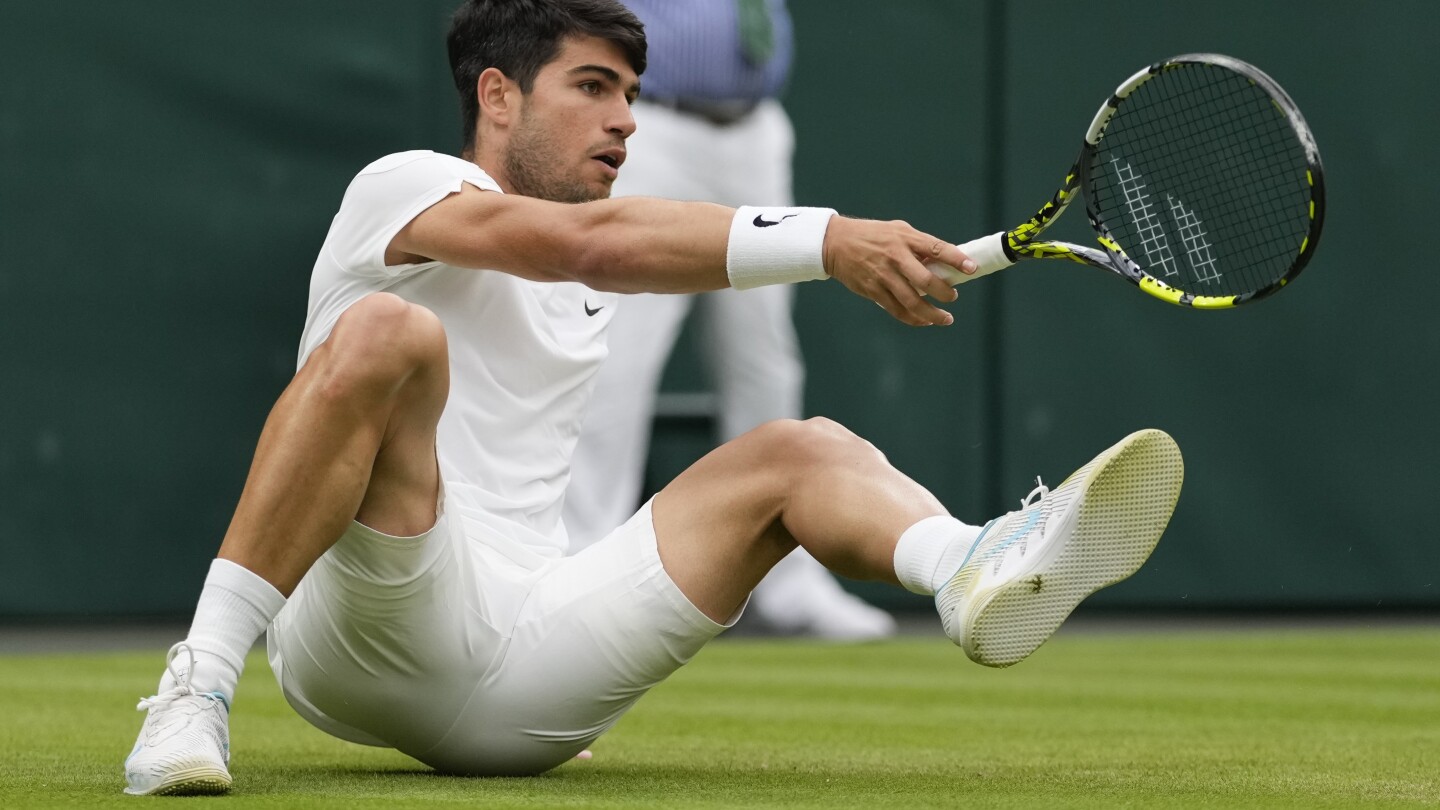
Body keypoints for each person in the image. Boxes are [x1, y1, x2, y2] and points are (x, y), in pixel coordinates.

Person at [122, 0, 1184, 796]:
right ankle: (198, 685)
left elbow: (605, 256)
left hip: (522, 683)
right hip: (361, 630)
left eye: (631, 93)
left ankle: (967, 564)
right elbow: (589, 245)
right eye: (592, 87)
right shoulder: (401, 187)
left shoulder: (588, 287)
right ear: (497, 95)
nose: (625, 118)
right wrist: (830, 239)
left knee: (795, 450)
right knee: (391, 333)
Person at [563, 0, 897, 640]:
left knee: (765, 363)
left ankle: (784, 580)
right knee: (617, 360)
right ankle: (581, 572)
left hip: (755, 129)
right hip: (650, 125)